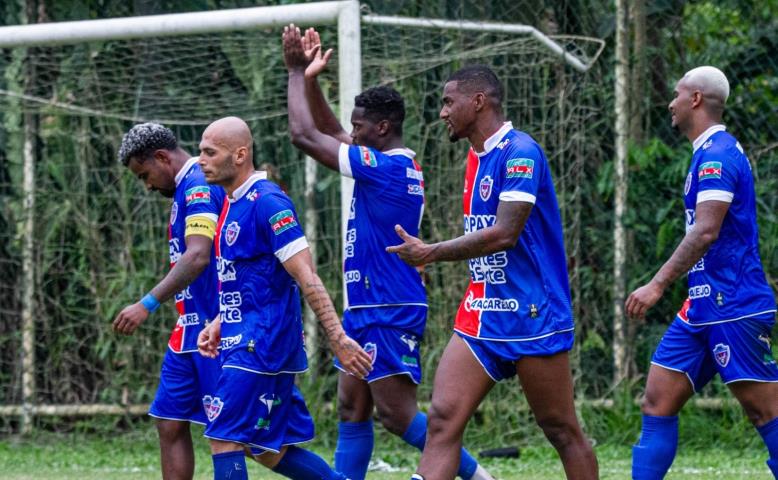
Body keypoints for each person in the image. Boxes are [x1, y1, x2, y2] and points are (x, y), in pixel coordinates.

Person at [282, 25, 493, 480]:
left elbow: (304, 134)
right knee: (351, 407)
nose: (352, 134)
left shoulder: (387, 168)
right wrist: (313, 82)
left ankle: (479, 477)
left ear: (382, 128)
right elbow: (333, 131)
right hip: (366, 305)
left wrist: (296, 73)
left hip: (389, 305)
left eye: (360, 127)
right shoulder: (382, 160)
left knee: (396, 415)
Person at [387, 64, 599, 480]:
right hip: (482, 312)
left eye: (449, 102)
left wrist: (431, 252)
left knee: (560, 428)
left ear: (478, 101)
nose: (442, 112)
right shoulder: (475, 157)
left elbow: (504, 234)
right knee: (443, 419)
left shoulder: (521, 152)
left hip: (532, 314)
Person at [195, 116, 372, 480]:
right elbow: (252, 278)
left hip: (260, 345)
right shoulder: (231, 202)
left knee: (224, 438)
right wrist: (221, 320)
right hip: (245, 337)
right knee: (266, 450)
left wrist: (337, 337)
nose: (201, 160)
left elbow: (306, 275)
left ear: (240, 155)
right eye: (201, 152)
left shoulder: (269, 202)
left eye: (210, 153)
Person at [626, 66, 778, 480]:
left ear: (695, 99)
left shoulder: (718, 156)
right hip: (701, 308)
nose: (670, 104)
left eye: (676, 95)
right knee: (657, 400)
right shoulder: (706, 153)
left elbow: (706, 230)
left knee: (765, 413)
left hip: (735, 304)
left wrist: (657, 284)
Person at [114, 122, 224, 480]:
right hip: (188, 329)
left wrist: (146, 303)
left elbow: (198, 256)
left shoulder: (198, 185)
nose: (147, 185)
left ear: (162, 157)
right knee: (169, 420)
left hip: (215, 329)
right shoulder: (183, 189)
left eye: (145, 175)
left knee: (241, 439)